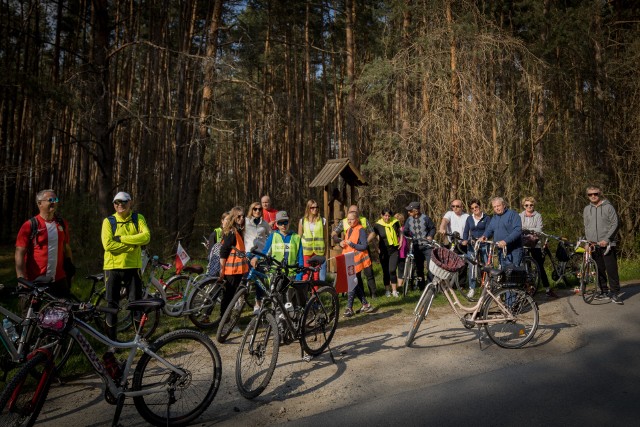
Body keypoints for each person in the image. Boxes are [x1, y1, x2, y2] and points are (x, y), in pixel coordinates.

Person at [101, 191, 151, 341]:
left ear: (130, 203)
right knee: (112, 306)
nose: (120, 205)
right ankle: (112, 342)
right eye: (116, 202)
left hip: (133, 267)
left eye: (123, 202)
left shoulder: (138, 218)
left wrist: (122, 238)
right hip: (112, 268)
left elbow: (146, 237)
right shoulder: (108, 221)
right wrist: (132, 246)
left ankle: (139, 339)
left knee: (136, 304)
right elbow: (108, 245)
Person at [15, 189, 74, 300]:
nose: (54, 202)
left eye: (55, 199)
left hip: (59, 280)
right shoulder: (29, 225)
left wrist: (70, 270)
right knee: (32, 316)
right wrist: (21, 278)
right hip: (35, 281)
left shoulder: (62, 223)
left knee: (63, 314)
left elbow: (66, 248)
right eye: (50, 200)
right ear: (39, 203)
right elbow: (19, 253)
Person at [583, 186, 622, 304]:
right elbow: (587, 226)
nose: (593, 196)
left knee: (611, 269)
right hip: (594, 245)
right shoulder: (586, 209)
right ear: (588, 196)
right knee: (599, 269)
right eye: (590, 194)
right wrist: (587, 241)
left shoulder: (608, 207)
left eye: (595, 193)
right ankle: (604, 291)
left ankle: (615, 293)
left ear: (599, 193)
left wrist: (607, 239)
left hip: (607, 244)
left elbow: (615, 224)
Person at [331, 205, 378, 298]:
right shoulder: (344, 222)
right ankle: (362, 295)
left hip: (363, 250)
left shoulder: (364, 220)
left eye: (355, 212)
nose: (352, 213)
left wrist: (365, 242)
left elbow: (372, 232)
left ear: (358, 213)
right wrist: (340, 241)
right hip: (352, 252)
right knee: (356, 275)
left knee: (369, 273)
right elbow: (333, 233)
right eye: (351, 211)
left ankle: (373, 293)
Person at [520, 196, 556, 298]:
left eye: (531, 205)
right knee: (525, 267)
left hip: (536, 244)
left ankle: (547, 288)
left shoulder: (538, 215)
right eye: (526, 205)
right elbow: (519, 228)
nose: (529, 207)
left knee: (540, 266)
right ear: (524, 206)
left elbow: (539, 230)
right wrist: (531, 230)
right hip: (524, 244)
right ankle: (528, 288)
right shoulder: (520, 215)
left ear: (534, 205)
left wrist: (526, 229)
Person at [341, 212, 374, 317]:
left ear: (357, 219)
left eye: (352, 219)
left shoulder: (361, 230)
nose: (349, 221)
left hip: (357, 261)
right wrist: (341, 243)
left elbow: (364, 246)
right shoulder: (349, 229)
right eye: (348, 219)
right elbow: (347, 244)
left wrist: (353, 244)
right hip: (349, 260)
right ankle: (366, 304)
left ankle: (349, 308)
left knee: (351, 283)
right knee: (353, 283)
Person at [219, 207, 249, 316]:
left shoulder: (239, 231)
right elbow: (224, 251)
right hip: (231, 271)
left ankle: (226, 318)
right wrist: (222, 269)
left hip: (238, 270)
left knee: (232, 295)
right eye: (238, 216)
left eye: (243, 216)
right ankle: (224, 319)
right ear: (233, 217)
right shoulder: (232, 232)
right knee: (229, 296)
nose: (241, 218)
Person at [403, 201, 436, 290]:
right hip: (416, 246)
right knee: (419, 267)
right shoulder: (408, 220)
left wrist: (430, 236)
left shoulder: (426, 218)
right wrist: (405, 233)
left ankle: (430, 286)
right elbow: (405, 230)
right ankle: (421, 287)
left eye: (410, 211)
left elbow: (432, 228)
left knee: (430, 267)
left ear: (416, 211)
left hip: (427, 246)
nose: (408, 212)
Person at [481, 197, 522, 267]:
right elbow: (489, 229)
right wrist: (484, 236)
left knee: (514, 273)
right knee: (503, 272)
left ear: (504, 205)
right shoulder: (494, 217)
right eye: (494, 207)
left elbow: (517, 230)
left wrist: (505, 241)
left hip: (514, 249)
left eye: (498, 206)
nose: (497, 208)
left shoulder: (513, 214)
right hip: (501, 249)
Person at [462, 198, 490, 298]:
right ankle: (472, 288)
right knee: (472, 267)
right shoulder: (469, 219)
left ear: (480, 206)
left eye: (476, 207)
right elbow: (466, 231)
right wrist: (464, 240)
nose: (475, 209)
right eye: (472, 208)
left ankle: (488, 286)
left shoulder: (486, 218)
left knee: (487, 265)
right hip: (472, 245)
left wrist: (484, 237)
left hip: (484, 244)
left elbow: (488, 230)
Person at [373, 209, 401, 297]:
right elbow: (373, 236)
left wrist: (401, 241)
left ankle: (394, 290)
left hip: (394, 249)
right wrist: (376, 247)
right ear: (381, 215)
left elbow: (400, 231)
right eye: (385, 215)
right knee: (385, 271)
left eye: (389, 216)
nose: (387, 217)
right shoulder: (378, 225)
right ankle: (387, 290)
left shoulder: (395, 222)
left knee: (392, 270)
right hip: (383, 251)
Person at [298, 199, 327, 281]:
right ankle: (303, 292)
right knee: (306, 273)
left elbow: (325, 237)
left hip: (318, 251)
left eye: (316, 207)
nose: (315, 209)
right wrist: (299, 252)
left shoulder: (323, 221)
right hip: (306, 251)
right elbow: (299, 238)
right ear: (308, 208)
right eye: (312, 207)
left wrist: (325, 251)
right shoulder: (302, 221)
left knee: (316, 274)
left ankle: (315, 293)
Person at [207, 212, 229, 277]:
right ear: (222, 221)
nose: (229, 222)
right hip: (217, 263)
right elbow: (211, 252)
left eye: (230, 220)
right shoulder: (215, 233)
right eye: (227, 219)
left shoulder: (231, 233)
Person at [395, 213, 407, 291]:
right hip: (401, 250)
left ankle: (398, 285)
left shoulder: (403, 229)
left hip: (401, 249)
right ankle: (399, 285)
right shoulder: (404, 228)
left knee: (398, 267)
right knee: (400, 268)